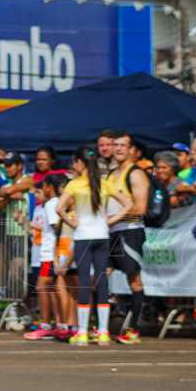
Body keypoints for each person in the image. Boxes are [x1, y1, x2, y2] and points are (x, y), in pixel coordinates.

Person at [57, 147, 132, 346]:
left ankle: (82, 332)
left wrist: (72, 222)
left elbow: (59, 208)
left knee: (84, 282)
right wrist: (110, 221)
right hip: (102, 233)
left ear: (79, 163)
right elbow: (128, 204)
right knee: (101, 282)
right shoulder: (104, 183)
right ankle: (104, 332)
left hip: (83, 235)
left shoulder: (74, 184)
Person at [106, 131, 149, 343]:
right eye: (116, 145)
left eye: (123, 145)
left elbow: (141, 208)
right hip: (111, 232)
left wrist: (113, 217)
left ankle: (133, 328)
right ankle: (100, 326)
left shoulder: (135, 174)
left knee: (134, 279)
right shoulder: (111, 174)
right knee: (100, 279)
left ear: (131, 149)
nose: (119, 148)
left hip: (130, 231)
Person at [24, 173, 70, 340]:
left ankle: (46, 325)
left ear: (50, 187)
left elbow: (56, 227)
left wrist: (56, 252)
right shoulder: (54, 203)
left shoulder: (51, 203)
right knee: (56, 288)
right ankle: (60, 324)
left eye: (43, 187)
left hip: (50, 253)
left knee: (42, 286)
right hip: (54, 252)